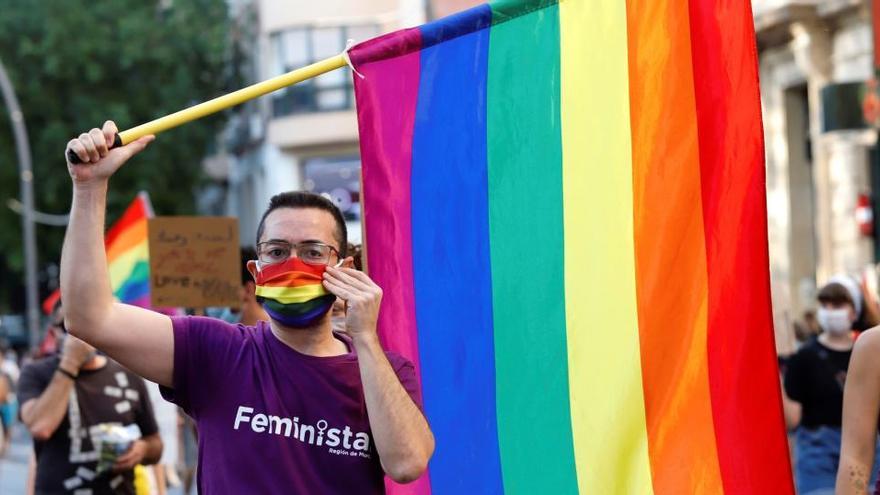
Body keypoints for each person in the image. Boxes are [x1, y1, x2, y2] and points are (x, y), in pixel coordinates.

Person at [61, 122, 434, 494]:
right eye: (276, 252)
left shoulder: (386, 371)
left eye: (312, 252)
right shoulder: (214, 350)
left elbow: (406, 464)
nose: (292, 264)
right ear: (255, 272)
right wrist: (89, 187)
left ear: (344, 270)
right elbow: (88, 317)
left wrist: (365, 337)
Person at [17, 302, 163, 494]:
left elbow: (156, 444)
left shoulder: (128, 376)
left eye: (86, 325)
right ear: (54, 332)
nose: (79, 335)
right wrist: (70, 362)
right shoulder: (35, 373)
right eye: (68, 327)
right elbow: (40, 427)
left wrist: (143, 449)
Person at [784, 282, 880, 494]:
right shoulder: (807, 356)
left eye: (837, 304)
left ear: (854, 312)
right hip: (820, 449)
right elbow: (856, 458)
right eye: (825, 304)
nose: (830, 311)